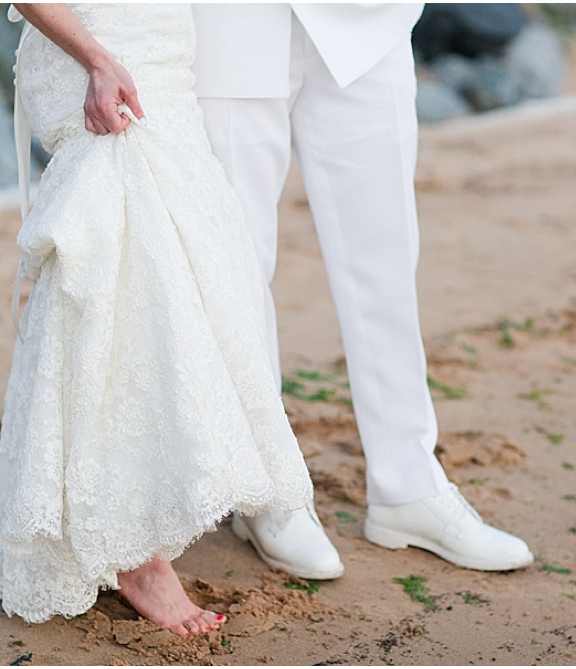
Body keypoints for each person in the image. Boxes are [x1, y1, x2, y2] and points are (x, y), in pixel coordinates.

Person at [0, 4, 315, 637]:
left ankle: (131, 506)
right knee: (122, 267)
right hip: (101, 47)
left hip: (161, 45)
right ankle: (137, 556)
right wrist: (97, 60)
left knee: (174, 272)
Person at [190, 3, 535, 577]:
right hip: (231, 21)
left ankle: (408, 484)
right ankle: (266, 488)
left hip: (366, 20)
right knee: (238, 266)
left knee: (387, 260)